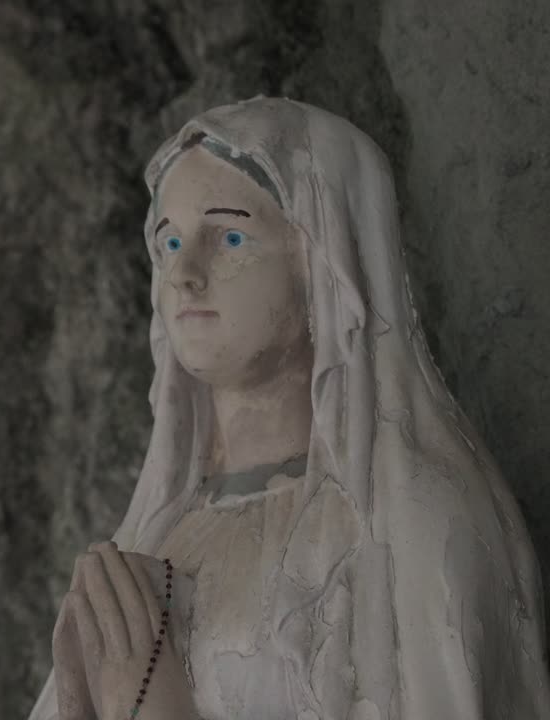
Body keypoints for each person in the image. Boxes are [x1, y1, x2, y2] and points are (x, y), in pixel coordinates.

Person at [27, 97, 550, 719]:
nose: (185, 274)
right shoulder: (158, 532)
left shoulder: (416, 526)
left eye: (231, 236)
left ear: (324, 266)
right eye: (168, 242)